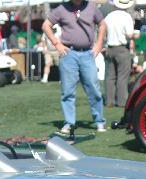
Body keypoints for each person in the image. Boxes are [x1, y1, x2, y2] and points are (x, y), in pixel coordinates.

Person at [42, 0, 107, 134]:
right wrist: (57, 43)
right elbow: (46, 25)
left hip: (87, 54)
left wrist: (99, 44)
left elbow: (102, 24)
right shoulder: (62, 9)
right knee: (67, 91)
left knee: (94, 89)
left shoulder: (91, 7)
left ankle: (99, 121)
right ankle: (69, 123)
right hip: (68, 54)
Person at [104, 0, 136, 108]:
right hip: (122, 48)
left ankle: (109, 101)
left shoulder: (109, 16)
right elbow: (129, 34)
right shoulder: (126, 17)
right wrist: (136, 36)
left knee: (110, 76)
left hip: (109, 47)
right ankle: (122, 101)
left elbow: (103, 31)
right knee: (122, 76)